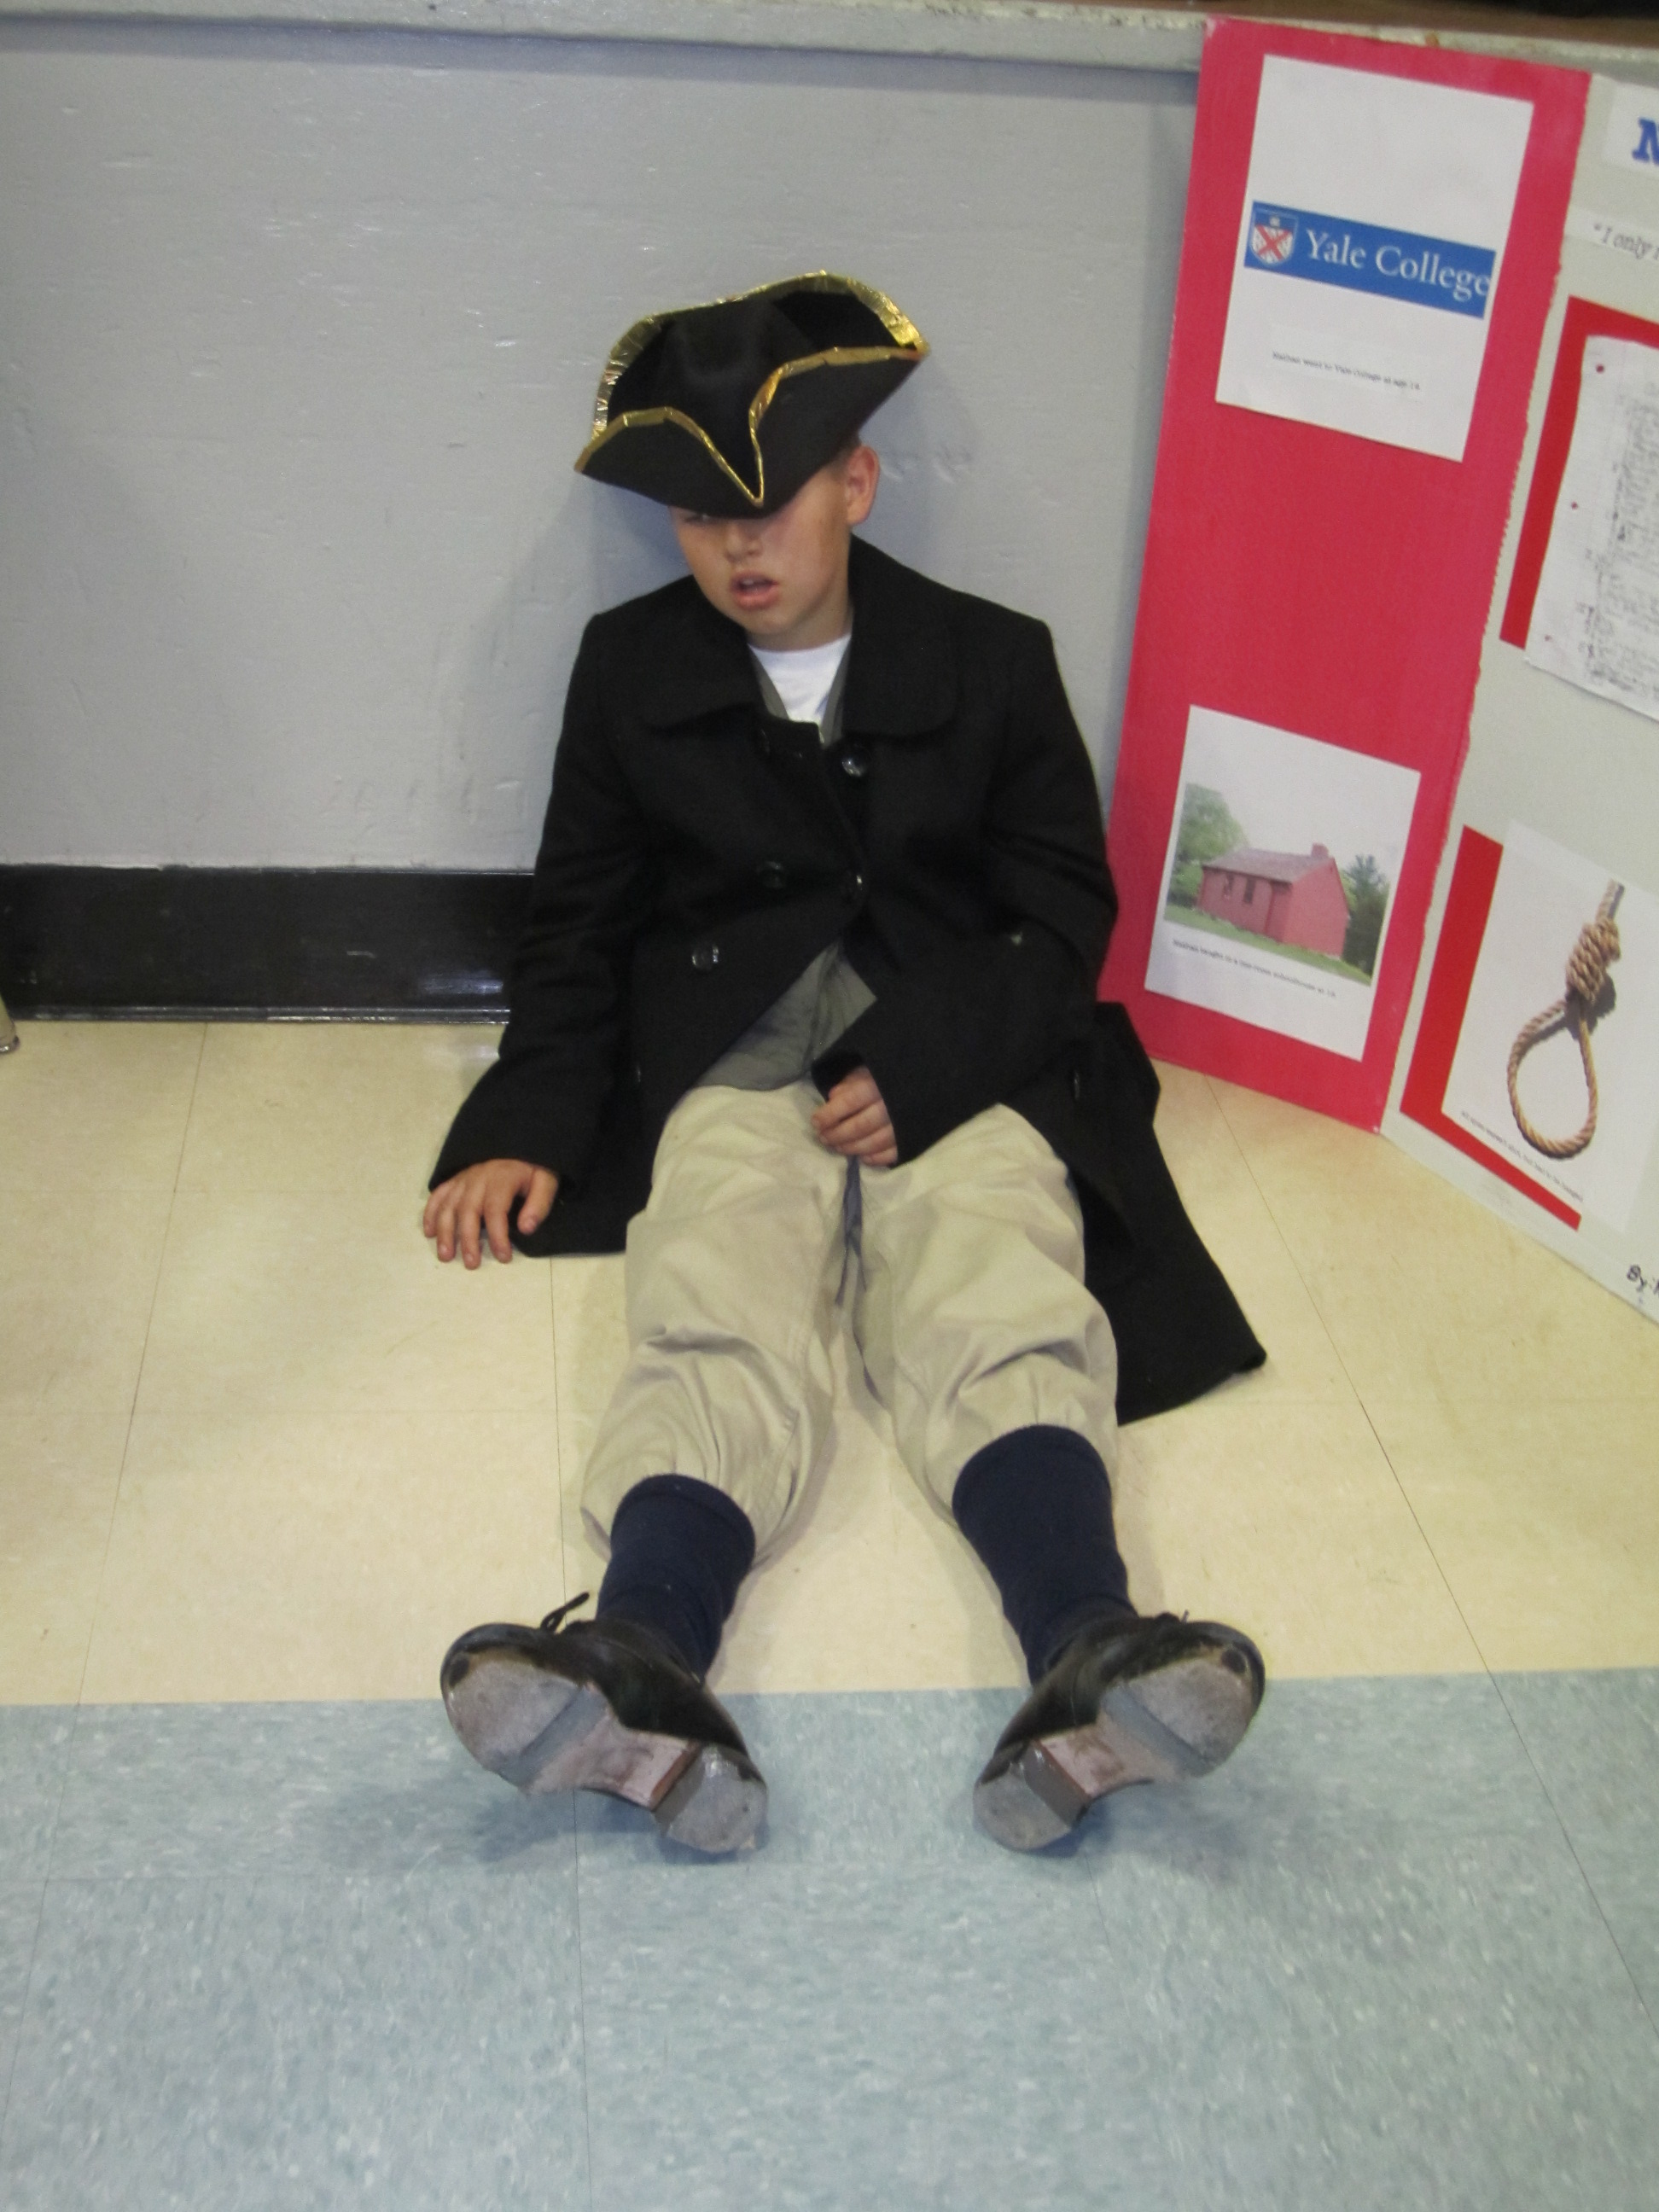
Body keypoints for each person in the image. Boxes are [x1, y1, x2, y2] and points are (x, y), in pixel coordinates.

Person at [423, 273, 1266, 1855]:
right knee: (714, 1280)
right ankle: (645, 1647)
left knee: (996, 1269)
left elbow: (1061, 912)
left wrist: (938, 1059)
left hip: (960, 1047)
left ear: (857, 485)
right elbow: (579, 921)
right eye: (698, 517)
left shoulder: (993, 659)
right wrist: (528, 1112)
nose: (737, 549)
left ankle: (1086, 1642)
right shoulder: (629, 669)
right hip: (735, 1055)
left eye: (770, 508)